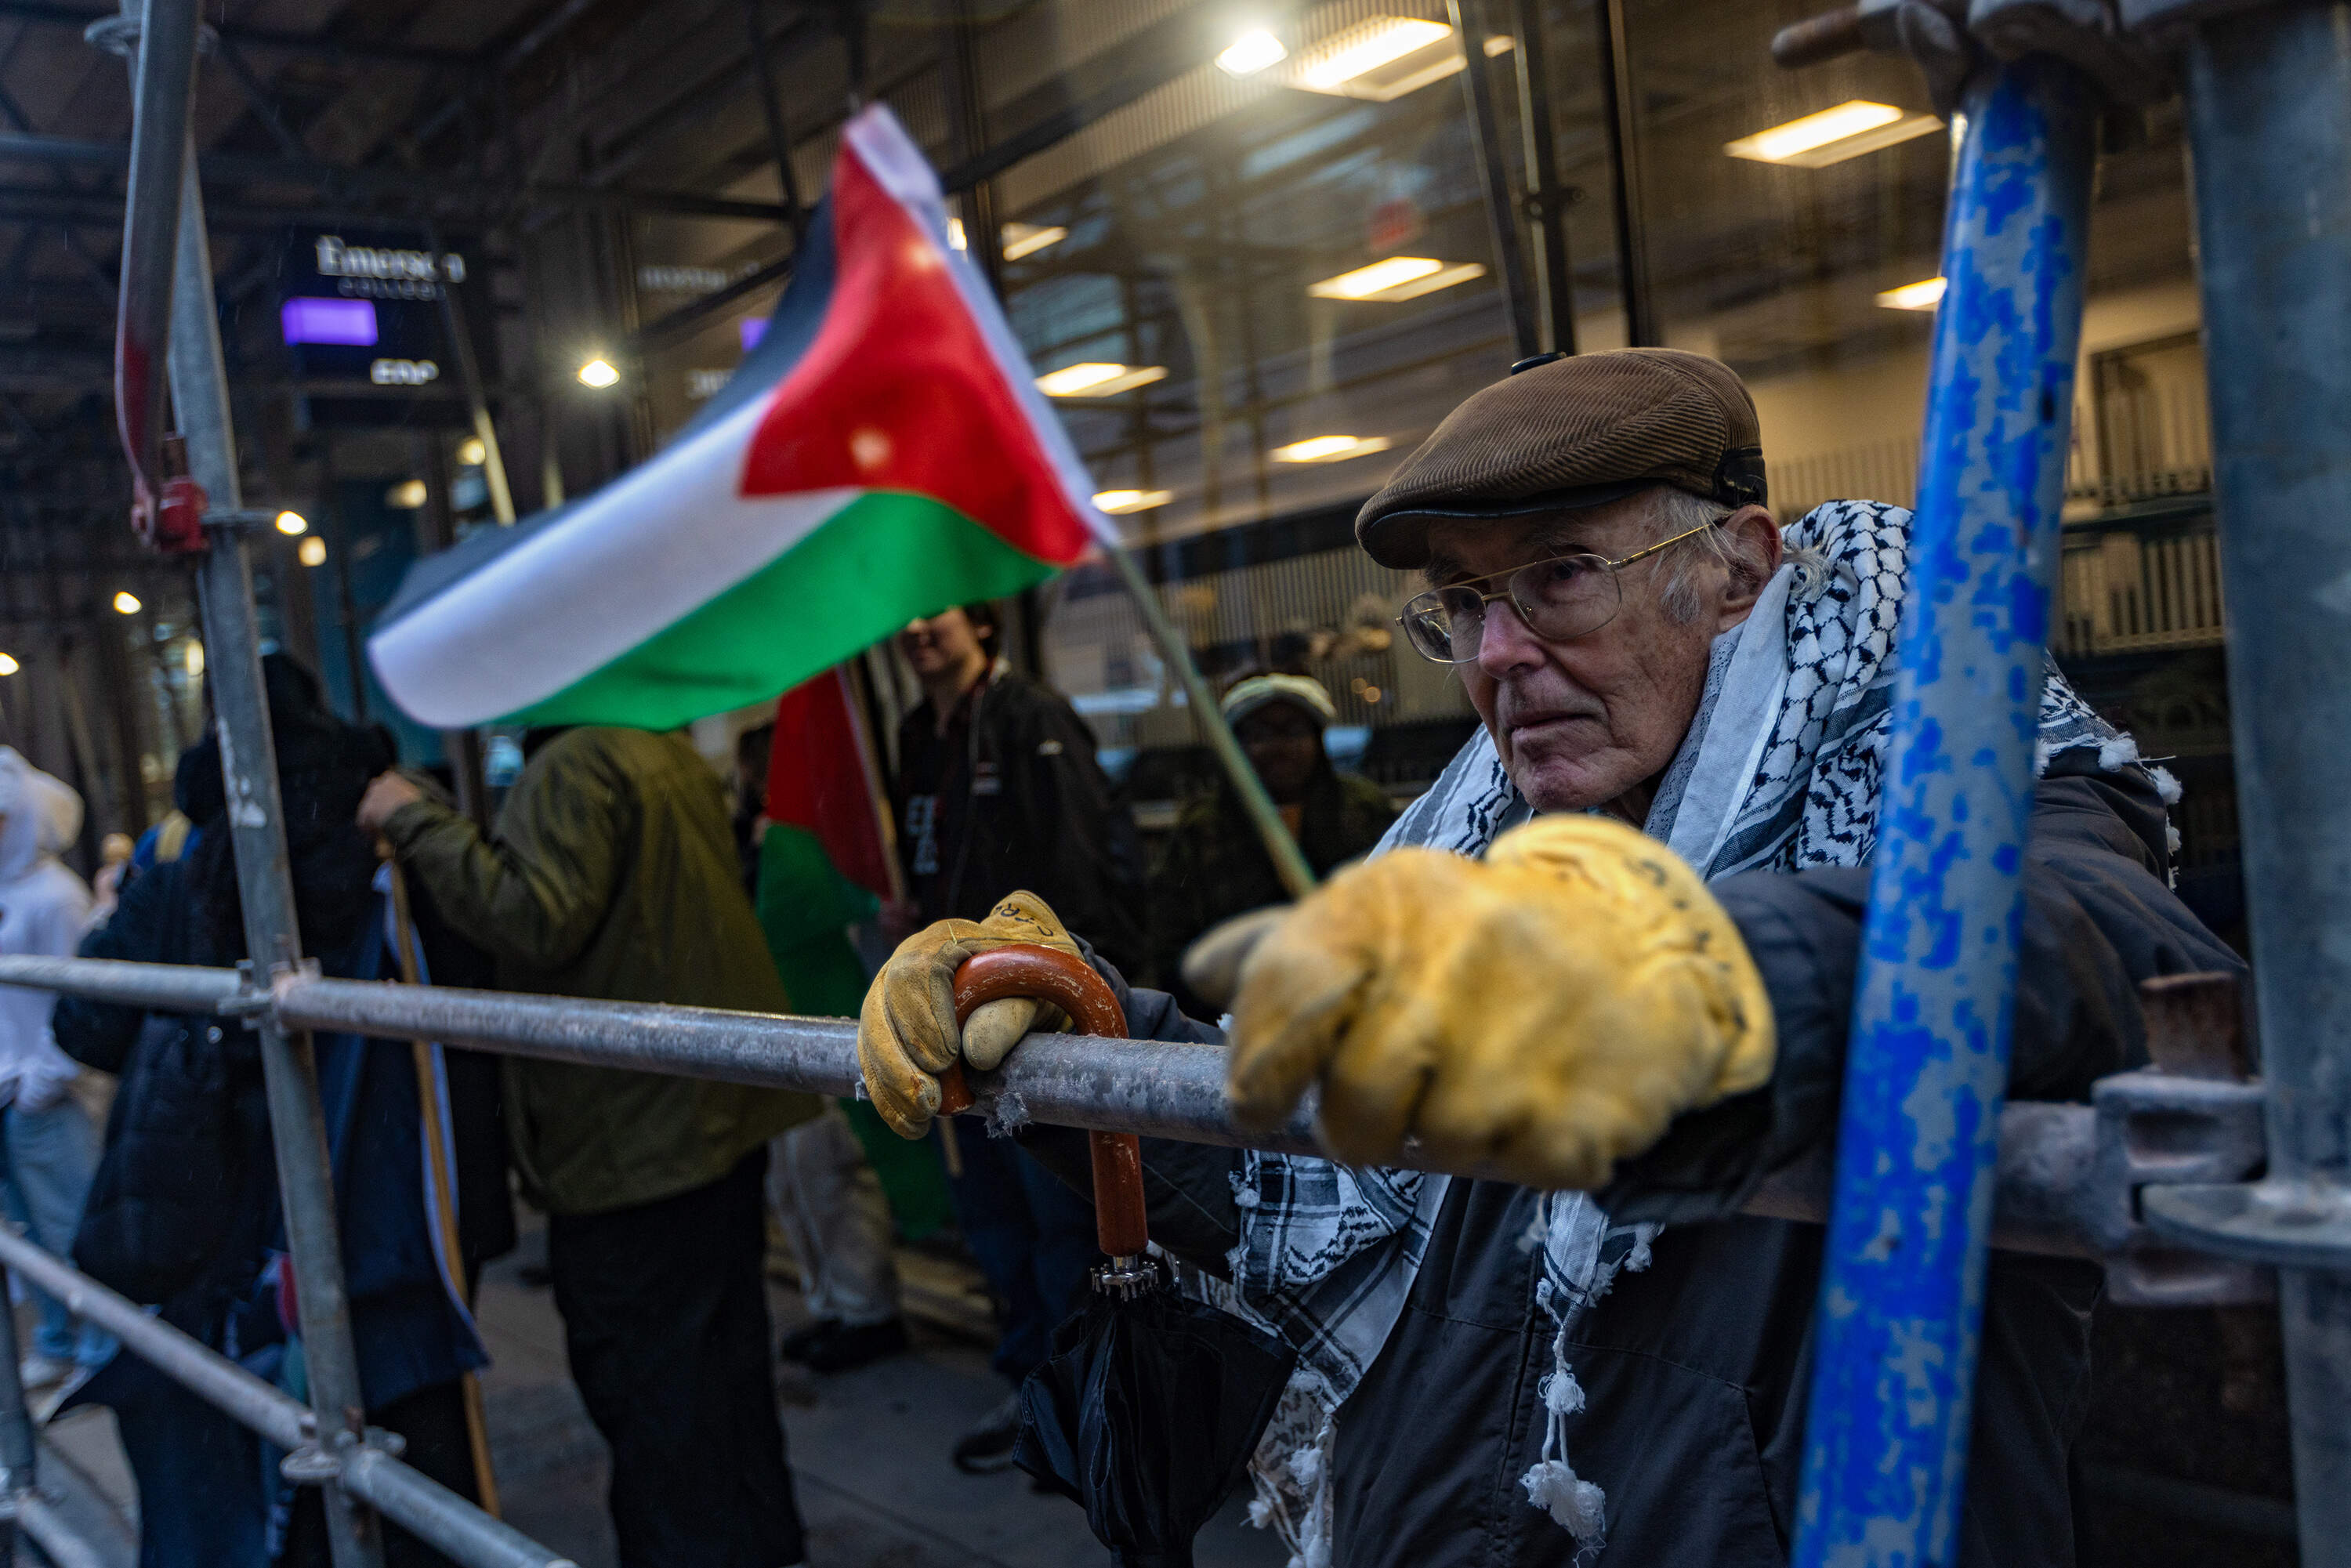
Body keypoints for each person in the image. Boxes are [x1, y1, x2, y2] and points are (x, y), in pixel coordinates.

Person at [856, 349, 2244, 1567]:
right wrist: (1084, 1034)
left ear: (1739, 569)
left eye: (1561, 576)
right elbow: (1329, 1160)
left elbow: (2107, 944)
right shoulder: (1481, 841)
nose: (1499, 656)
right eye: (1463, 604)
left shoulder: (1957, 774)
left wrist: (1703, 974)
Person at [54, 656, 506, 1568]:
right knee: (406, 1456)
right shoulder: (384, 844)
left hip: (232, 1222)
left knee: (258, 1449)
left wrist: (125, 912)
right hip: (394, 1207)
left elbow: (84, 1025)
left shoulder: (186, 862)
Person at [360, 722, 823, 1568]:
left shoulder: (570, 766)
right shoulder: (659, 745)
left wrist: (413, 819)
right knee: (724, 1380)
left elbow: (536, 917)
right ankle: (757, 1545)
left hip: (632, 1141)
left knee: (655, 1399)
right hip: (703, 1118)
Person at [888, 602, 1143, 1472]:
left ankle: (1091, 1411)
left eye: (937, 615)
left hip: (1031, 1019)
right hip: (947, 1019)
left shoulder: (1031, 717)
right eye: (909, 622)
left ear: (985, 625)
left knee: (1060, 1220)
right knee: (991, 1216)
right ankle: (1030, 1388)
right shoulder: (916, 732)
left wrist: (1066, 990)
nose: (919, 630)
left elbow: (1080, 860)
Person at [1148, 674, 1395, 1016]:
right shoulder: (1201, 827)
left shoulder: (1364, 809)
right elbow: (1170, 941)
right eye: (1260, 735)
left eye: (1294, 732)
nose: (1280, 748)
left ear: (1318, 740)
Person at [0, 748, 115, 1393]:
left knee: (71, 1225)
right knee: (26, 1231)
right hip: (14, 1089)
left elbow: (80, 1001)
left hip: (49, 1094)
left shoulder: (54, 896)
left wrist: (45, 1080)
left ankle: (99, 1344)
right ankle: (59, 1335)